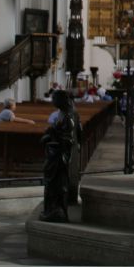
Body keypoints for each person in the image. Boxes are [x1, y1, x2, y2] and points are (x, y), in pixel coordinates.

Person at [40, 90, 82, 221]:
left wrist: (52, 133)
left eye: (55, 98)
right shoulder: (63, 113)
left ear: (62, 100)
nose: (53, 101)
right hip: (55, 154)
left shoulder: (68, 116)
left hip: (60, 156)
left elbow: (68, 140)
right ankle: (53, 209)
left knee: (57, 183)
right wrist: (51, 132)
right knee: (53, 183)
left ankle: (57, 211)